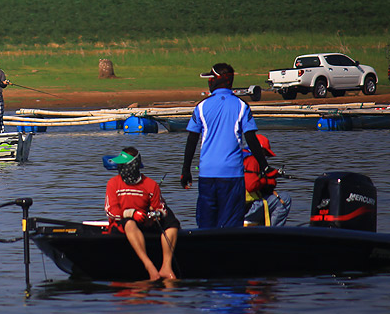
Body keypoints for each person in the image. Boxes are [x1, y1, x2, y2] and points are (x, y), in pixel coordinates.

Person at [181, 63, 271, 228]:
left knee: (206, 224)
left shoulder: (201, 106)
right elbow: (251, 139)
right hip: (232, 175)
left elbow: (192, 140)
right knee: (230, 225)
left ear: (216, 81)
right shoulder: (242, 106)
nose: (208, 81)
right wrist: (265, 166)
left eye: (211, 78)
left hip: (207, 174)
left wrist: (185, 171)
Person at [105, 147, 180, 280]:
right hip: (124, 224)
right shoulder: (113, 183)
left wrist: (155, 214)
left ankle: (166, 267)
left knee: (171, 221)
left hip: (145, 222)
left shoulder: (151, 185)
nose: (120, 168)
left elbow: (160, 207)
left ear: (133, 166)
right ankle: (149, 266)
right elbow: (111, 211)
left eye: (123, 165)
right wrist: (131, 213)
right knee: (129, 223)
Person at [243, 134, 291, 226]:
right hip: (248, 208)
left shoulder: (238, 156)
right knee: (285, 198)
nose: (264, 157)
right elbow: (251, 185)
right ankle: (272, 233)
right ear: (258, 149)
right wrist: (267, 180)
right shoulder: (252, 160)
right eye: (264, 153)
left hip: (233, 206)